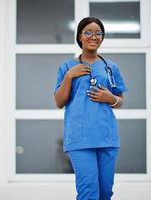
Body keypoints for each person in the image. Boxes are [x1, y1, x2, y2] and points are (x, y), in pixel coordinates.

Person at [54, 17, 127, 200]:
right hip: (79, 139)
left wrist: (110, 98)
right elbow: (59, 101)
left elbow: (120, 101)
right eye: (88, 32)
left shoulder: (111, 67)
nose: (93, 36)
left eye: (98, 33)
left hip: (107, 137)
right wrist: (69, 77)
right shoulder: (67, 67)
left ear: (102, 37)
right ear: (80, 36)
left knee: (105, 192)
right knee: (88, 192)